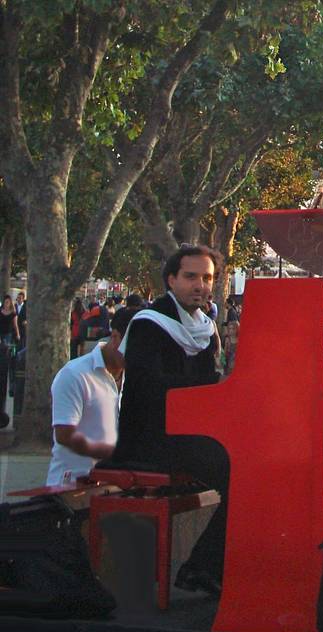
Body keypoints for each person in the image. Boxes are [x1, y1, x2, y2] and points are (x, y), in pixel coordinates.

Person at [108, 244, 226, 596]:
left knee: (257, 466)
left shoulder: (205, 328)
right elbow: (149, 390)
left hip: (188, 436)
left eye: (207, 278)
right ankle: (201, 568)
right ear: (171, 280)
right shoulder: (148, 324)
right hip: (150, 439)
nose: (200, 285)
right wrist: (214, 387)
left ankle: (211, 566)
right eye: (191, 277)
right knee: (241, 472)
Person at [46, 308, 136, 486]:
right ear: (116, 337)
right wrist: (113, 453)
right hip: (70, 485)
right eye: (134, 348)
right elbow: (65, 434)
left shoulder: (135, 378)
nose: (139, 357)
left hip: (113, 487)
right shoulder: (74, 374)